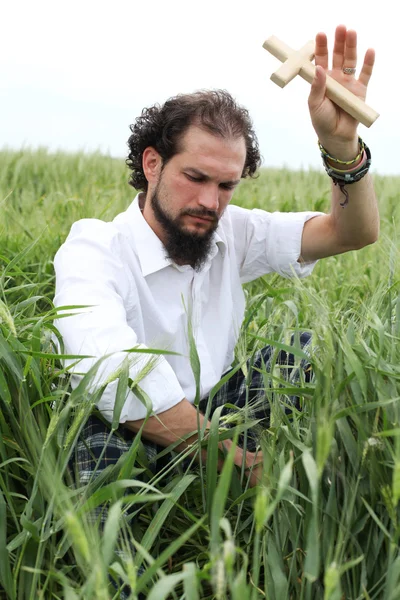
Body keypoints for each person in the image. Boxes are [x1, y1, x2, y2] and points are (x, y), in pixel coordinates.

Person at [54, 25, 379, 490]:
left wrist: (342, 147)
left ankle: (336, 493)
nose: (211, 201)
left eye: (226, 185)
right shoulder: (93, 249)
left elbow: (353, 233)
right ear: (152, 164)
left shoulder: (233, 230)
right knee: (96, 470)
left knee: (318, 349)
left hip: (215, 409)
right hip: (122, 424)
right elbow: (113, 376)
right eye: (196, 176)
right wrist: (241, 464)